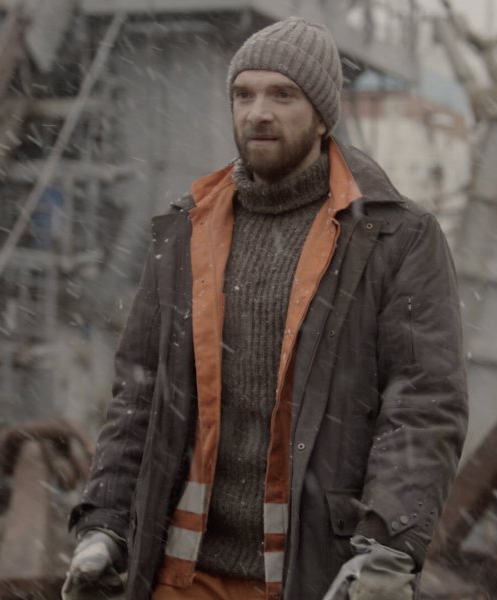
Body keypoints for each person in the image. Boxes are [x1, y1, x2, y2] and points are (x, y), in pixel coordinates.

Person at [62, 16, 468, 600]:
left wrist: (389, 547)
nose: (258, 112)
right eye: (244, 94)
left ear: (323, 116)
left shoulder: (397, 237)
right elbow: (139, 390)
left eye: (283, 94)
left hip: (311, 576)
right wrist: (104, 522)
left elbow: (423, 404)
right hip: (180, 574)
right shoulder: (186, 227)